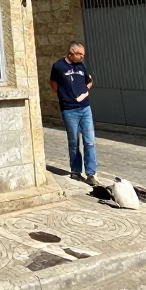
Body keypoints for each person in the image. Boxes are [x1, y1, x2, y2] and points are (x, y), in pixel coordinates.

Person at [49, 41, 98, 186]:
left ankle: (90, 174)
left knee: (89, 142)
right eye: (80, 54)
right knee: (74, 142)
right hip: (69, 110)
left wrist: (84, 93)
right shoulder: (58, 67)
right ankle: (76, 172)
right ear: (71, 53)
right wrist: (64, 96)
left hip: (85, 108)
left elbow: (89, 82)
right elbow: (53, 83)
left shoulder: (81, 66)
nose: (82, 57)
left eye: (83, 55)